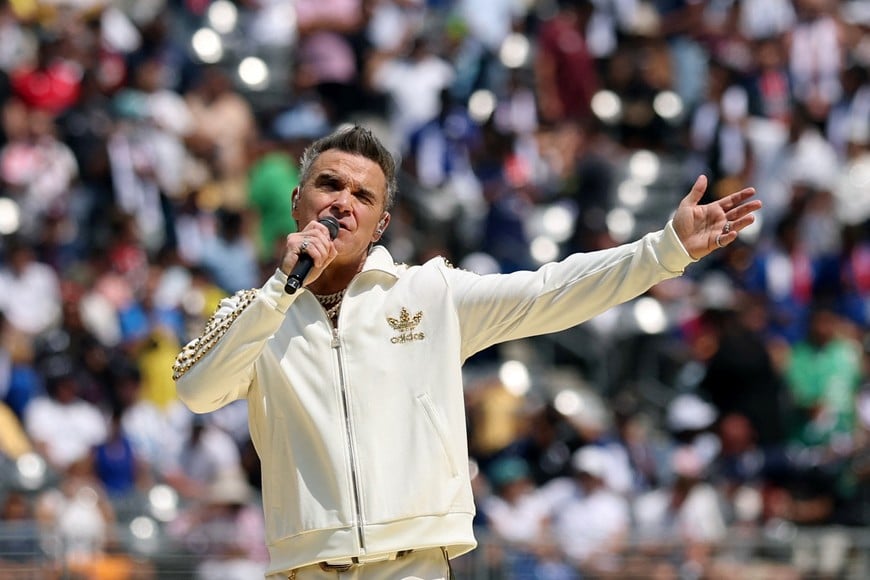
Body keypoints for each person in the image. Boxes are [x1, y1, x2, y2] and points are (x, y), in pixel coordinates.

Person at [173, 125, 760, 579]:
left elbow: (549, 290)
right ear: (298, 199)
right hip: (304, 566)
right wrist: (282, 290)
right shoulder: (255, 311)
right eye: (329, 185)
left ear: (379, 224)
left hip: (416, 564)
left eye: (362, 194)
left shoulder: (432, 292)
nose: (342, 203)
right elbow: (196, 391)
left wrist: (664, 251)